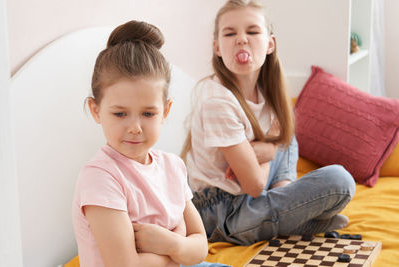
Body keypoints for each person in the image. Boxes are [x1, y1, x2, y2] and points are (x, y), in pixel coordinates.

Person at [181, 0, 356, 246]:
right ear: (218, 47)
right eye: (230, 33)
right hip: (222, 210)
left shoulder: (266, 92)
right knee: (340, 182)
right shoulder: (216, 101)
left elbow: (282, 140)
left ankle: (284, 208)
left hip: (252, 192)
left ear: (270, 44)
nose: (241, 39)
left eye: (252, 31)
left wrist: (265, 154)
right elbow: (253, 185)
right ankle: (288, 217)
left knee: (288, 137)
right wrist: (269, 151)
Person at [72, 20, 214, 267]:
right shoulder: (101, 177)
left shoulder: (172, 166)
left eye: (148, 114)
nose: (135, 127)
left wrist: (171, 244)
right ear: (95, 110)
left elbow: (200, 247)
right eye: (120, 114)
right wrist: (180, 246)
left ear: (166, 110)